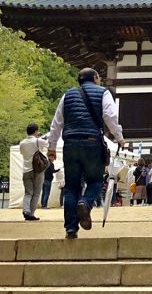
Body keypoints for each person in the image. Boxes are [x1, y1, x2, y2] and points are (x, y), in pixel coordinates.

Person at [48, 67, 125, 238]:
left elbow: (56, 123)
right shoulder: (103, 93)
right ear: (96, 77)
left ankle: (70, 228)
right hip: (92, 142)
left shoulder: (67, 95)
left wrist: (52, 147)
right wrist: (119, 137)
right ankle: (85, 202)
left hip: (70, 143)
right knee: (96, 180)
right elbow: (110, 116)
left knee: (71, 187)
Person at [19, 123, 49, 221]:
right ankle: (31, 213)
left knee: (28, 193)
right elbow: (48, 145)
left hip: (26, 170)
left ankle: (26, 210)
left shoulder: (22, 143)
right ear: (36, 131)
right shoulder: (38, 141)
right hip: (38, 170)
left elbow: (22, 153)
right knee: (36, 193)